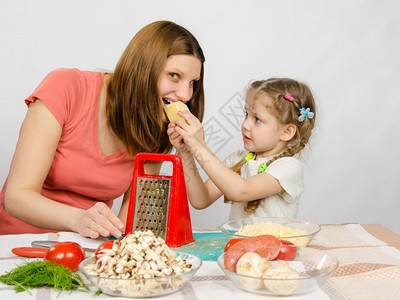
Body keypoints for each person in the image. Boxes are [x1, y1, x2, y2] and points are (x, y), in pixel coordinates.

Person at [0, 20, 205, 238]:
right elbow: (17, 197)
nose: (186, 95)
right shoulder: (66, 87)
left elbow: (129, 224)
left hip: (86, 248)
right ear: (143, 68)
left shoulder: (156, 127)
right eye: (174, 75)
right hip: (20, 244)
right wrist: (78, 219)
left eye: (193, 82)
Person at [168, 78, 316, 219]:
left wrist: (199, 146)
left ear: (286, 132)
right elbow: (201, 199)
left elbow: (241, 191)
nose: (245, 124)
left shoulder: (288, 167)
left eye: (257, 119)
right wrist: (186, 152)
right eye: (246, 114)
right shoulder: (237, 159)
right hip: (240, 245)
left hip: (276, 246)